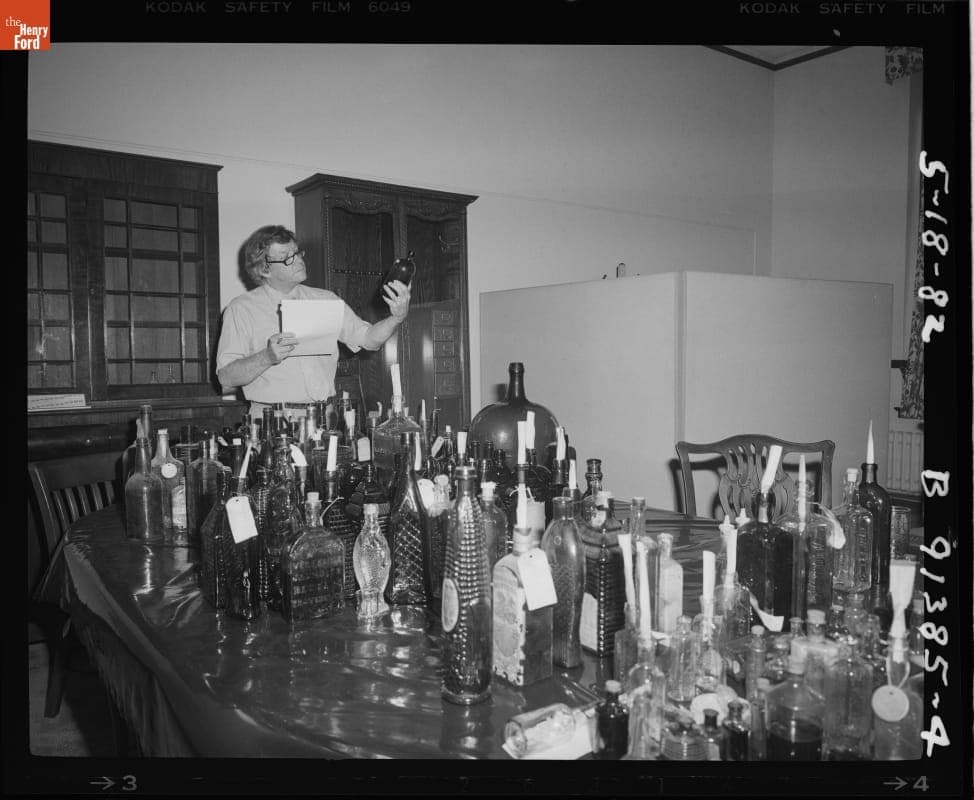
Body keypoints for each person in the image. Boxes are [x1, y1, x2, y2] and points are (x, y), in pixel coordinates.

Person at [216, 225, 410, 417]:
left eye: (298, 253)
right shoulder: (241, 309)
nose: (299, 260)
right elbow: (226, 377)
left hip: (323, 417)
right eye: (287, 257)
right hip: (272, 419)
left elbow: (368, 340)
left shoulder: (327, 299)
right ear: (264, 269)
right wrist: (267, 357)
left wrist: (396, 317)